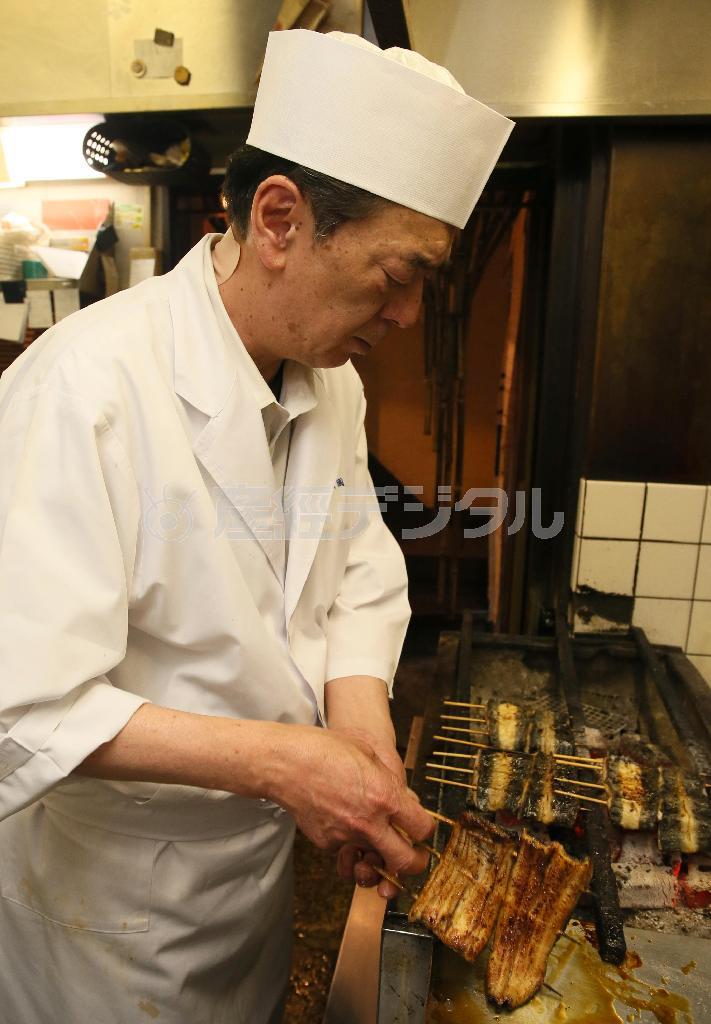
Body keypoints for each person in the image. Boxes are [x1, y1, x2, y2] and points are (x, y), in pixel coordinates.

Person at [0, 29, 513, 1024]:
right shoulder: (83, 389)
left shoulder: (335, 384)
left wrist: (359, 732)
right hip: (100, 927)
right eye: (398, 273)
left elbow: (354, 571)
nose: (409, 314)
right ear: (280, 219)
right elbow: (20, 703)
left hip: (249, 897)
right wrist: (289, 764)